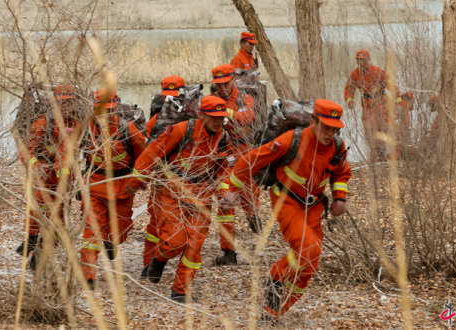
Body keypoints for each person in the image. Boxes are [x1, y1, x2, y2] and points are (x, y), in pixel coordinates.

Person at [224, 99, 351, 323]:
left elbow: (341, 173)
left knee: (309, 264)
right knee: (308, 249)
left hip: (314, 207)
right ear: (313, 122)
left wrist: (340, 197)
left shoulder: (337, 147)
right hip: (286, 201)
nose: (330, 133)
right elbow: (250, 159)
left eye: (334, 129)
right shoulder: (290, 140)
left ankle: (273, 313)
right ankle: (275, 278)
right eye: (326, 127)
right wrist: (233, 189)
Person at [127, 96, 233, 302]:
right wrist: (135, 180)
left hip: (201, 194)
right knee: (175, 242)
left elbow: (223, 171)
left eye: (221, 116)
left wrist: (225, 194)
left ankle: (180, 290)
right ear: (202, 115)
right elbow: (152, 153)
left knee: (194, 245)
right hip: (171, 190)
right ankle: (158, 259)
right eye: (213, 117)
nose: (218, 121)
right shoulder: (181, 131)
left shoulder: (223, 138)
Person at [79, 89, 147, 290]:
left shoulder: (129, 130)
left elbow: (145, 159)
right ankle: (88, 277)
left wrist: (135, 183)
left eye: (109, 110)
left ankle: (111, 242)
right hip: (96, 185)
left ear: (115, 108)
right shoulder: (85, 129)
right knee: (91, 230)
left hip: (123, 187)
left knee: (120, 229)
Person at [16, 85, 82, 270]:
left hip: (65, 182)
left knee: (58, 219)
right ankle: (30, 241)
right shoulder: (43, 123)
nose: (67, 106)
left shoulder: (80, 124)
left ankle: (42, 257)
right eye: (63, 102)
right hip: (44, 179)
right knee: (37, 212)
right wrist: (36, 166)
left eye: (71, 102)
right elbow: (25, 150)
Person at [209, 63, 261, 265]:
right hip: (223, 154)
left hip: (245, 151)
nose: (222, 88)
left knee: (249, 196)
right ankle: (229, 251)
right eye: (218, 84)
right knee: (225, 199)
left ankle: (255, 222)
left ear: (233, 80)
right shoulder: (212, 100)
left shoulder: (244, 98)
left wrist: (226, 114)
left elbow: (247, 117)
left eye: (225, 83)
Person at [142, 76, 187, 275]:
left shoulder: (194, 117)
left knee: (187, 225)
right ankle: (148, 263)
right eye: (168, 97)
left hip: (189, 180)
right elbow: (147, 147)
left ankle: (173, 262)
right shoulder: (156, 119)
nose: (172, 101)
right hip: (163, 180)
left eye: (175, 96)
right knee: (155, 221)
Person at [344, 50, 391, 161]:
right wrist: (349, 100)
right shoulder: (355, 74)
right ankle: (375, 155)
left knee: (383, 128)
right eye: (358, 60)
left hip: (380, 102)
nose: (360, 62)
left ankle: (384, 154)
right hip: (367, 105)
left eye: (363, 60)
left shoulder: (377, 71)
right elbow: (348, 88)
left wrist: (397, 99)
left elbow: (390, 84)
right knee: (368, 130)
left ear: (368, 60)